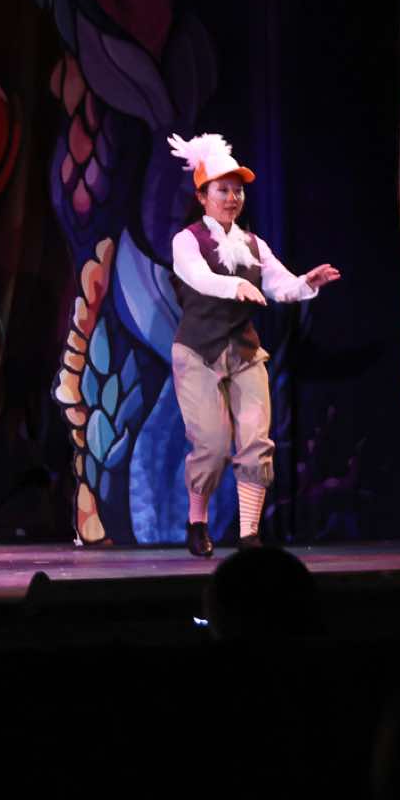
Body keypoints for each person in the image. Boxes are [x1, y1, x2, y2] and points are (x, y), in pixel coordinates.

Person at [166, 132, 338, 556]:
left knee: (257, 442)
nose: (232, 198)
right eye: (223, 190)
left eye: (237, 191)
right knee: (212, 446)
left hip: (243, 352)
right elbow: (199, 278)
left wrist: (307, 283)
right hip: (198, 351)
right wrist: (236, 285)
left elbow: (281, 285)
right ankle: (197, 522)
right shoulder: (187, 241)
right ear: (202, 196)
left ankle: (248, 535)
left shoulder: (252, 244)